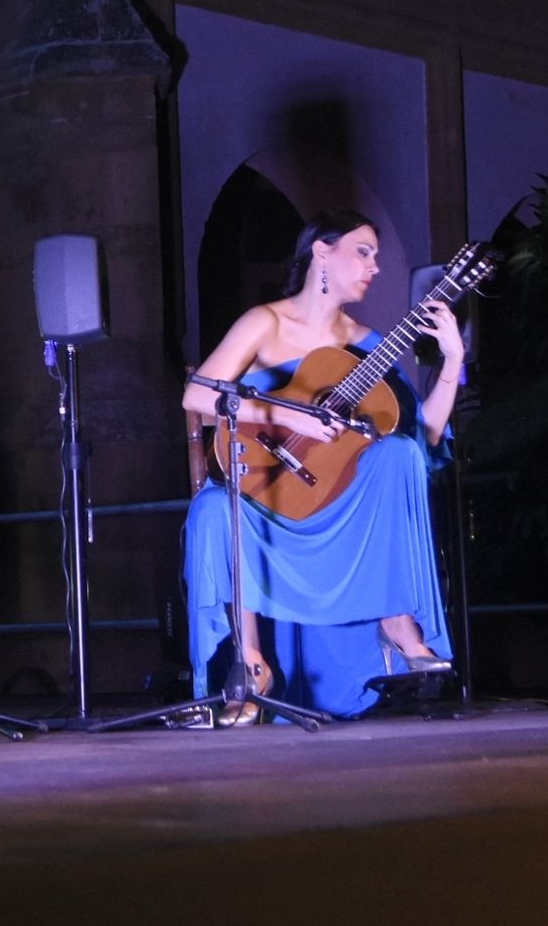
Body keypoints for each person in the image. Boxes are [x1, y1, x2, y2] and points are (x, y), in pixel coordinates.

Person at [182, 209, 459, 723]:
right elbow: (198, 396)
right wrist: (290, 415)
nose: (374, 265)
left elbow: (426, 437)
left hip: (341, 505)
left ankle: (399, 627)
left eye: (376, 255)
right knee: (213, 510)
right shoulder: (265, 322)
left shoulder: (368, 343)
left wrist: (452, 362)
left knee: (399, 453)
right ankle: (251, 662)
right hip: (268, 498)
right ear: (321, 252)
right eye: (363, 251)